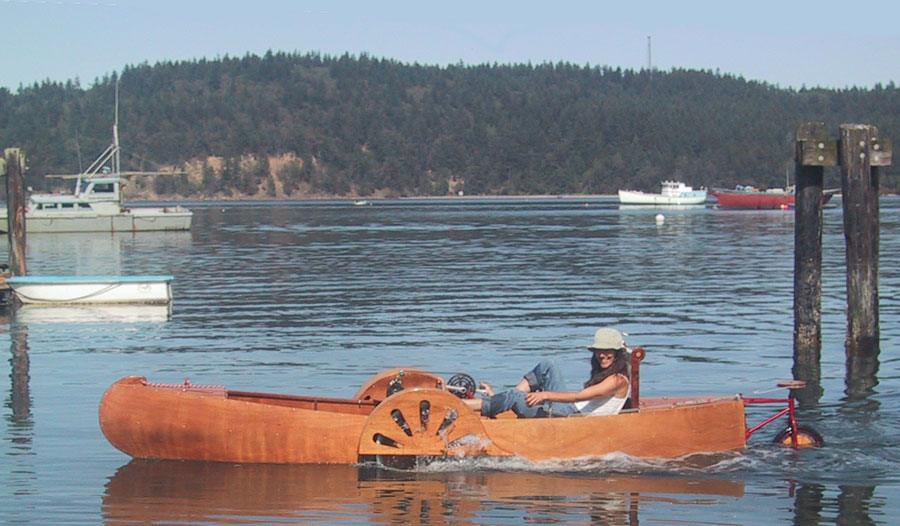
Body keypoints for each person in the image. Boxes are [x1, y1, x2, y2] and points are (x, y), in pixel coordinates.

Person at [464, 328, 631, 418]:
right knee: (548, 365)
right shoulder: (610, 373)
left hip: (572, 417)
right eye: (599, 351)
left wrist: (545, 395)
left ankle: (461, 407)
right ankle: (500, 401)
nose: (602, 355)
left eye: (608, 351)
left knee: (514, 395)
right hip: (570, 409)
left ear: (618, 353)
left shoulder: (617, 380)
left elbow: (579, 397)